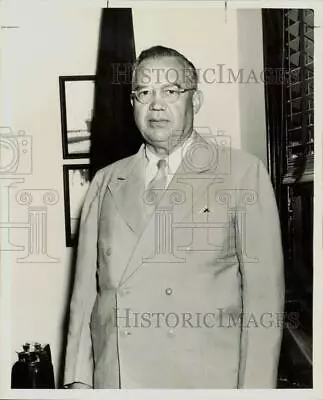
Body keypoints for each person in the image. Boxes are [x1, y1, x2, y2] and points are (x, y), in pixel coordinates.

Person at [64, 45, 285, 389]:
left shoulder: (241, 174)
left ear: (194, 101)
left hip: (203, 382)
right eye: (144, 92)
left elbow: (264, 303)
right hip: (118, 381)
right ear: (132, 104)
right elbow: (84, 298)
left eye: (170, 91)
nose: (156, 104)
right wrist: (78, 381)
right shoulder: (106, 182)